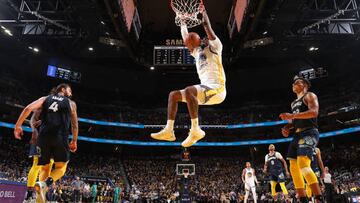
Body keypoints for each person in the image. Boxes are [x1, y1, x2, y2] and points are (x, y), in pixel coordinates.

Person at [151, 4, 226, 147]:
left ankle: (196, 129)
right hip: (206, 90)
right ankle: (169, 130)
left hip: (218, 89)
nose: (203, 39)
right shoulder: (196, 52)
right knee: (173, 95)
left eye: (204, 38)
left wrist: (203, 12)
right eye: (199, 39)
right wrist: (183, 21)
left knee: (189, 90)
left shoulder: (216, 47)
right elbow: (186, 36)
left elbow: (207, 27)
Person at [14, 83, 78, 203]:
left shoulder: (45, 100)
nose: (71, 93)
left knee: (45, 167)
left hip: (43, 138)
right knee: (58, 167)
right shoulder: (70, 103)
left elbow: (28, 109)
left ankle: (40, 195)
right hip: (56, 137)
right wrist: (74, 140)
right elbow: (74, 124)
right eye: (70, 90)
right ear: (63, 90)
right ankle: (31, 193)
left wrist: (18, 125)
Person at [279, 76, 323, 203]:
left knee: (303, 165)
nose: (293, 84)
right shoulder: (293, 103)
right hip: (297, 135)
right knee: (293, 166)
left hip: (309, 132)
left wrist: (292, 115)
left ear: (304, 85)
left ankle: (319, 198)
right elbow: (296, 120)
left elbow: (314, 112)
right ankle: (303, 199)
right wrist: (287, 127)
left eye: (296, 82)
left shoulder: (310, 95)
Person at [24, 88, 56, 202]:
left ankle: (42, 193)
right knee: (37, 165)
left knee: (49, 165)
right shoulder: (43, 103)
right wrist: (34, 130)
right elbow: (32, 119)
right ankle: (29, 193)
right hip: (40, 138)